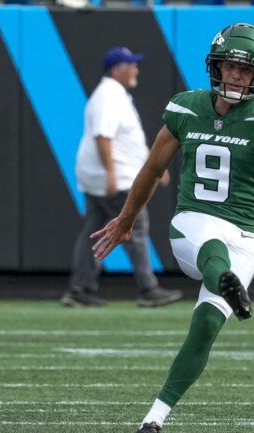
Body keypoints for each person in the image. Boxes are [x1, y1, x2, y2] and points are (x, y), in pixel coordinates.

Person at [91, 23, 254, 433]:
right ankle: (225, 282)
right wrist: (125, 219)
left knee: (207, 325)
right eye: (230, 66)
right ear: (216, 66)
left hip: (245, 236)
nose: (236, 76)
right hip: (193, 223)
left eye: (246, 71)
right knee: (215, 256)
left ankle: (152, 424)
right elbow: (153, 168)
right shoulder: (187, 108)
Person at [61, 47, 182, 309]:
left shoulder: (114, 94)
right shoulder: (109, 96)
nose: (136, 69)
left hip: (108, 174)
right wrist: (111, 174)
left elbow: (126, 140)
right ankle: (147, 288)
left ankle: (80, 288)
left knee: (94, 231)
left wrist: (154, 167)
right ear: (117, 70)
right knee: (135, 226)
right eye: (131, 65)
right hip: (115, 177)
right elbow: (103, 136)